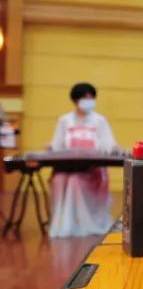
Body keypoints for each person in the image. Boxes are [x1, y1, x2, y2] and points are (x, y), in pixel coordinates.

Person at [48, 82, 117, 237]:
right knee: (59, 179)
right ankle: (63, 226)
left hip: (92, 169)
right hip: (67, 167)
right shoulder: (64, 121)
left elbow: (109, 144)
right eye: (85, 97)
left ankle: (85, 225)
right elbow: (56, 145)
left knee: (75, 182)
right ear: (75, 100)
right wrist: (51, 148)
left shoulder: (100, 121)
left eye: (91, 97)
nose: (89, 100)